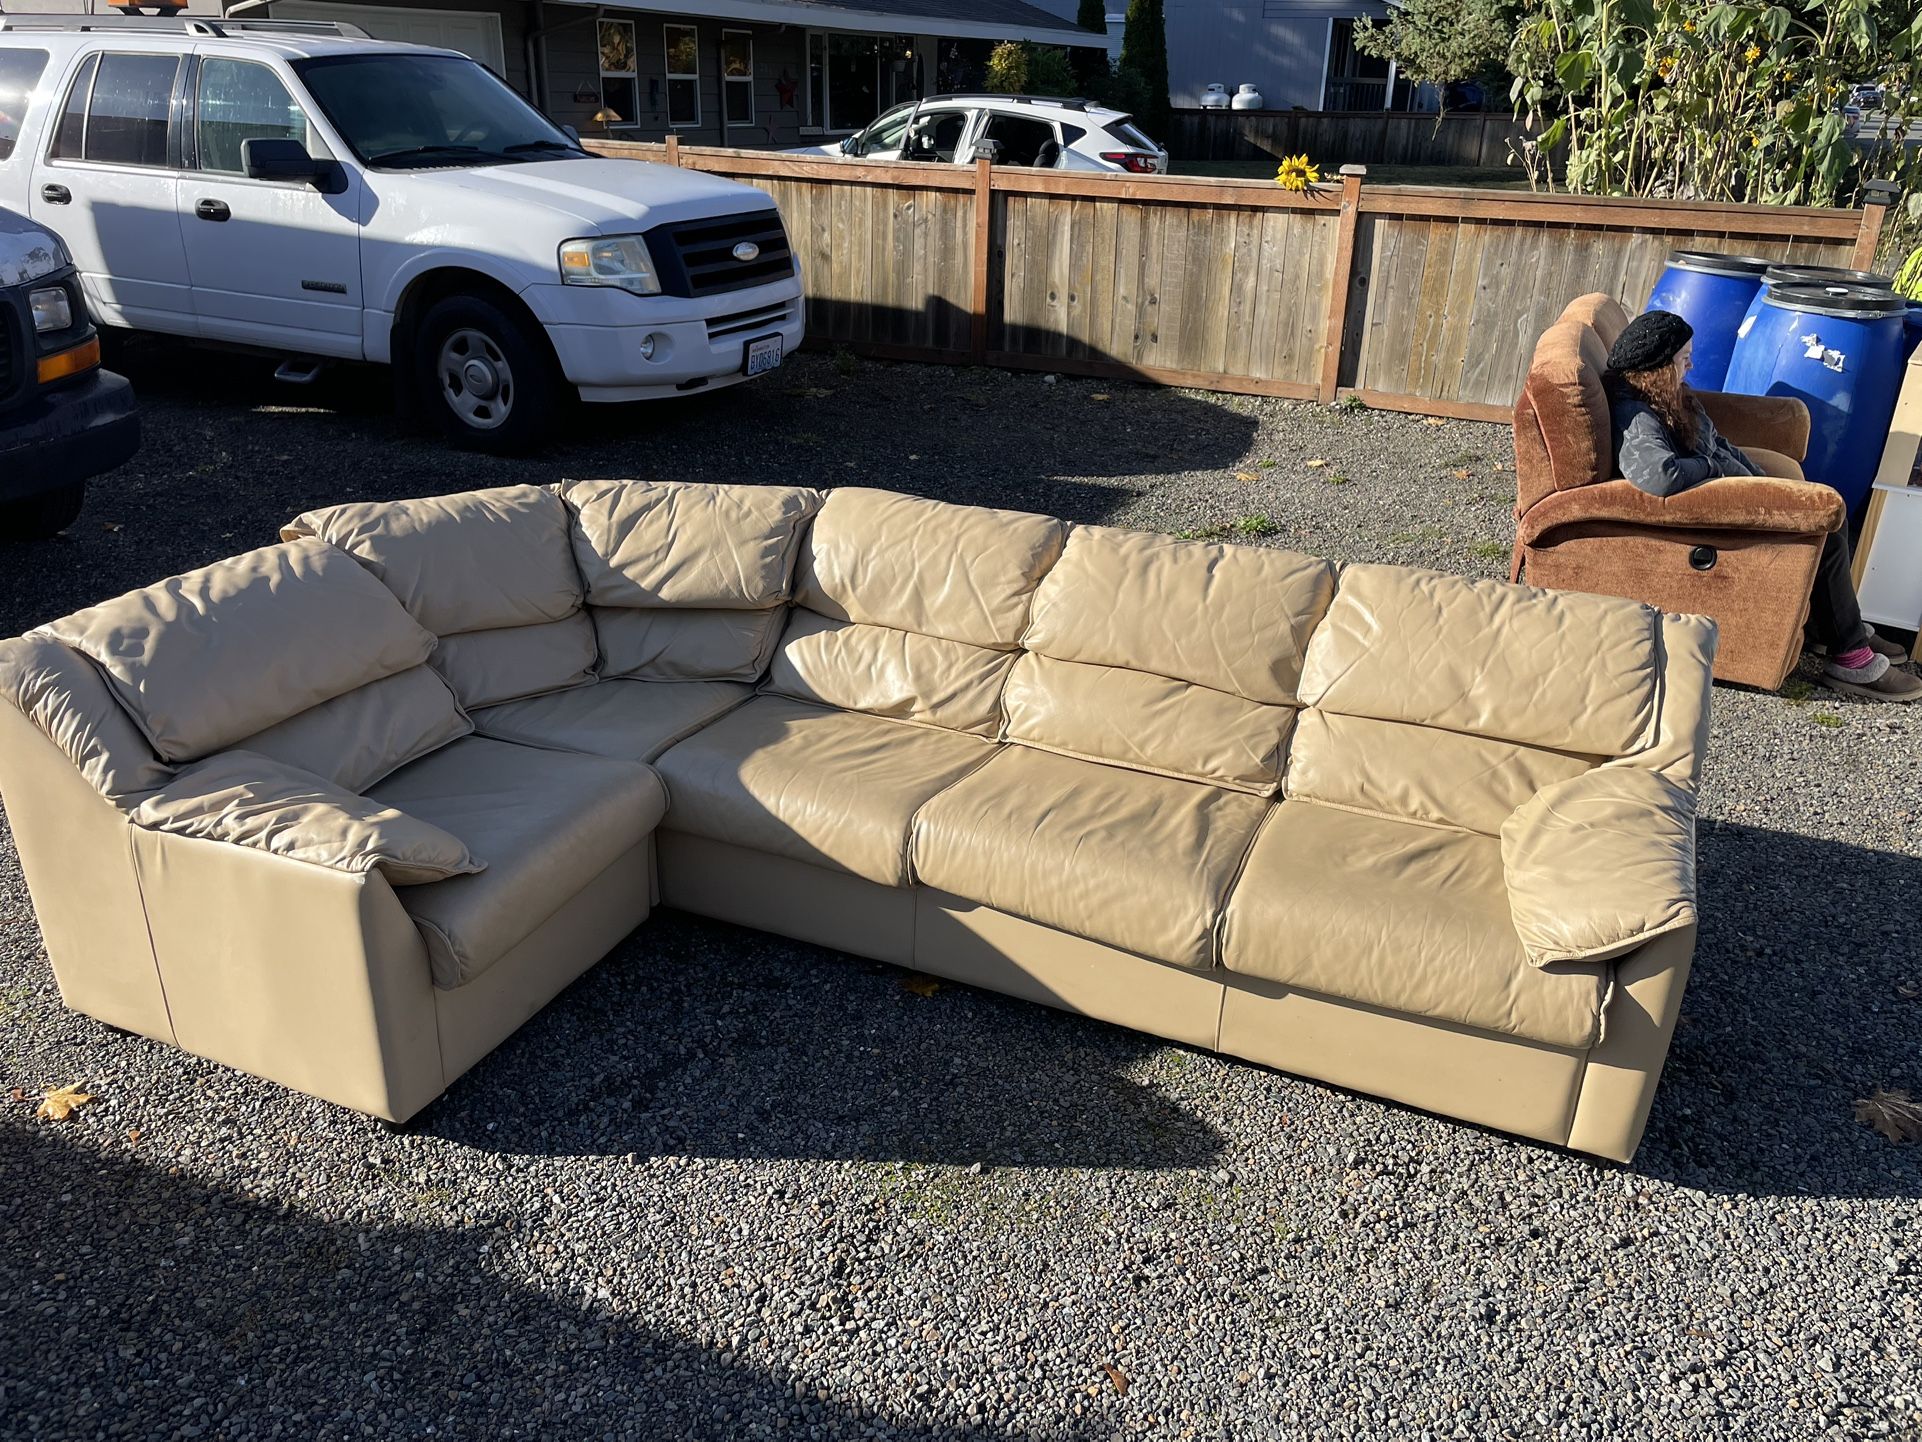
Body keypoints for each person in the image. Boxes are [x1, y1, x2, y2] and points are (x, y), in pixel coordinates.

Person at [1604, 309, 1920, 702]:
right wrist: (1718, 469)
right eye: (1683, 357)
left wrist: (1761, 477)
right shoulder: (1636, 414)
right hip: (1707, 514)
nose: (1691, 363)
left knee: (1828, 516)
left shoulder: (1665, 397)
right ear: (1657, 365)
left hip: (1734, 490)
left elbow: (1715, 442)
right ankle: (1851, 659)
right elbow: (1659, 475)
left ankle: (1835, 626)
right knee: (1828, 524)